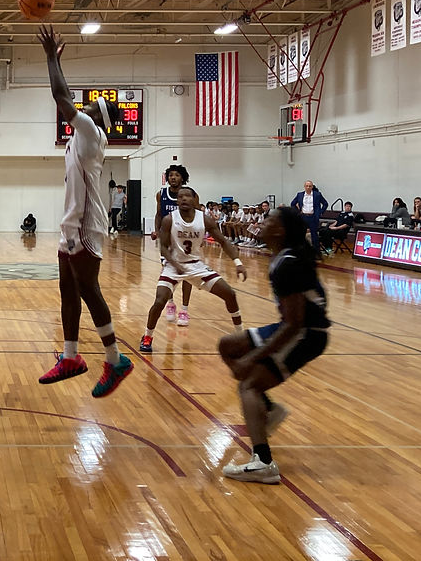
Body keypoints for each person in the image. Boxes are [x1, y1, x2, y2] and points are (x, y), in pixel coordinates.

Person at [35, 25, 133, 397]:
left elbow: (61, 96)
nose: (83, 104)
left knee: (89, 290)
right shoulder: (81, 135)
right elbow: (66, 98)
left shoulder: (91, 130)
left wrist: (50, 58)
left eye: (90, 105)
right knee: (68, 291)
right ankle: (71, 356)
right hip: (71, 225)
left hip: (87, 226)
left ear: (97, 114)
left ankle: (115, 359)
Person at [218, 206, 329, 484]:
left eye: (269, 220)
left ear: (280, 231)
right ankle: (268, 408)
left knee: (248, 386)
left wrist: (255, 356)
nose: (263, 223)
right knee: (228, 346)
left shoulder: (288, 264)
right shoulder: (283, 256)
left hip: (305, 334)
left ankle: (263, 462)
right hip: (293, 326)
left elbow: (294, 324)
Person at [140, 186, 247, 353]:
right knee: (160, 300)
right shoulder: (169, 219)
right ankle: (147, 336)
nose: (183, 199)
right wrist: (176, 265)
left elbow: (224, 241)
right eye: (180, 196)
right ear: (177, 201)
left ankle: (241, 336)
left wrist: (238, 262)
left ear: (194, 199)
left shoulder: (205, 219)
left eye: (187, 196)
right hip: (173, 266)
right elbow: (163, 249)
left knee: (230, 294)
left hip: (196, 265)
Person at [153, 165, 195, 325]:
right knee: (168, 272)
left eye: (177, 175)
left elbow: (197, 214)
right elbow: (158, 214)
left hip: (186, 239)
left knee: (187, 275)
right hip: (168, 240)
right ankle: (170, 304)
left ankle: (184, 310)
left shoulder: (191, 194)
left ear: (182, 178)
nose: (173, 177)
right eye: (171, 175)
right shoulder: (161, 194)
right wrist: (157, 230)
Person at [290, 180, 328, 250]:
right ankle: (301, 250)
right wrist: (298, 211)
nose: (308, 187)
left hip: (313, 217)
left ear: (312, 187)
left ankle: (316, 251)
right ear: (304, 187)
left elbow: (325, 204)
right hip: (303, 216)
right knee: (301, 234)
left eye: (310, 186)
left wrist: (320, 212)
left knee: (314, 235)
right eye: (307, 186)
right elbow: (292, 203)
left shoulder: (317, 194)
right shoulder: (300, 195)